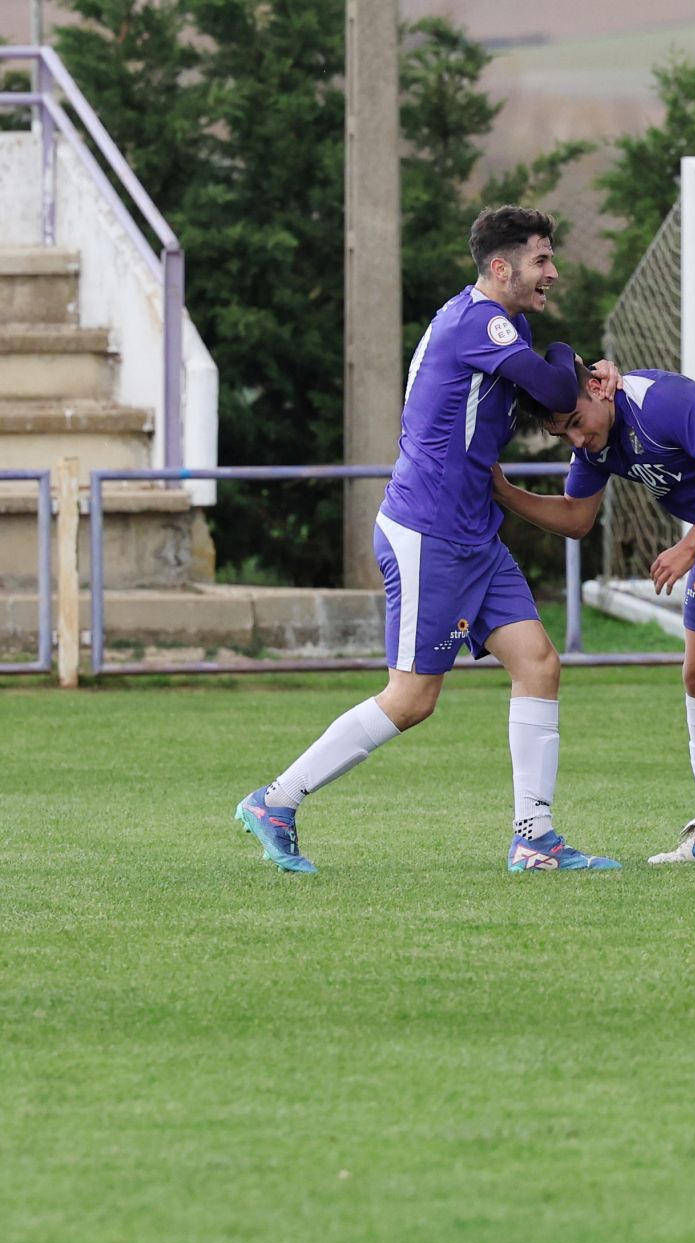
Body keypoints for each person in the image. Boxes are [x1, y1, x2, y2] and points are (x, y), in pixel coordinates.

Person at [235, 206, 620, 873]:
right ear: (500, 268)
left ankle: (534, 839)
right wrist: (569, 358)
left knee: (538, 664)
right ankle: (276, 799)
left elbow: (554, 399)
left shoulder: (501, 324)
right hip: (429, 534)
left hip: (472, 531)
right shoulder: (480, 321)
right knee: (412, 698)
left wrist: (585, 369)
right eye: (541, 261)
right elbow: (557, 382)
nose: (552, 273)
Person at [495, 360, 695, 865]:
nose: (578, 441)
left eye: (578, 423)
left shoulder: (660, 401)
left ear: (599, 387)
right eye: (565, 435)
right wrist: (504, 492)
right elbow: (577, 518)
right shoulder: (596, 444)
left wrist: (689, 546)